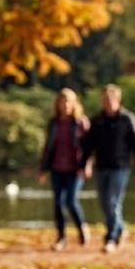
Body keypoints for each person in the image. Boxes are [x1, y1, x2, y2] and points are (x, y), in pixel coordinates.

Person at [81, 84, 135, 253]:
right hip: (101, 167)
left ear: (118, 100)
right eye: (105, 100)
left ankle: (111, 237)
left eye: (111, 100)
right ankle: (120, 228)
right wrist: (83, 165)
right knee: (104, 203)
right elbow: (89, 146)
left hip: (120, 167)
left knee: (112, 201)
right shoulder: (97, 120)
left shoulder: (127, 119)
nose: (108, 103)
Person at [38, 88, 90, 251]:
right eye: (62, 102)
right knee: (58, 203)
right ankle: (61, 237)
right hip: (56, 168)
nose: (65, 105)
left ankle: (82, 228)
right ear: (58, 104)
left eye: (68, 101)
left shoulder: (81, 122)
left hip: (75, 169)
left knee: (71, 200)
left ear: (74, 104)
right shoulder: (53, 123)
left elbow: (89, 147)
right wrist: (42, 168)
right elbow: (48, 147)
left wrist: (86, 165)